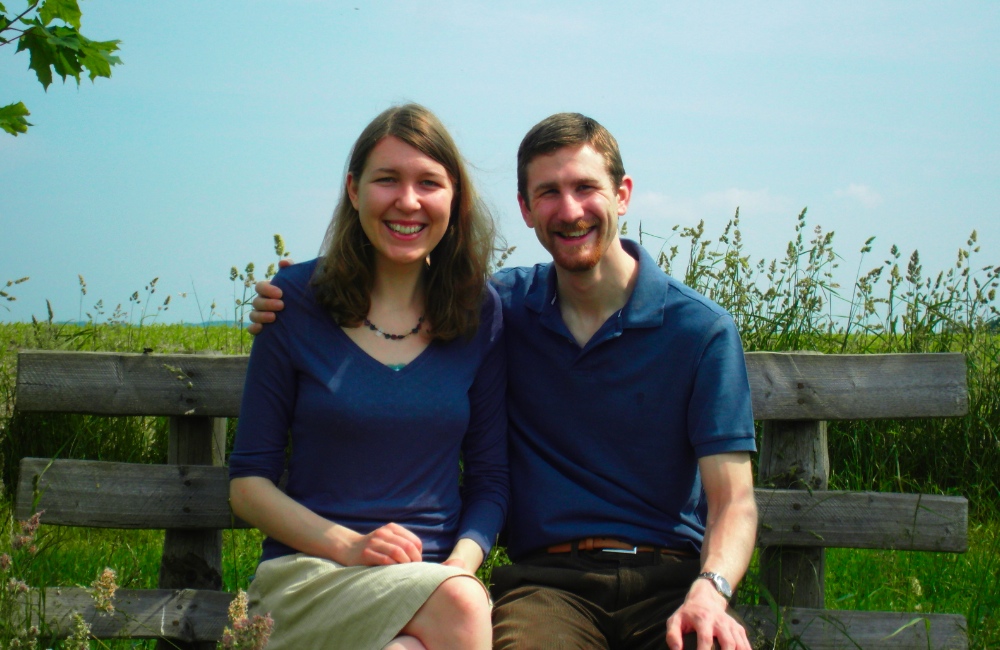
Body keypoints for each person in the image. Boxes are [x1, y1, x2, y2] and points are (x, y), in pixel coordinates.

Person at [249, 112, 757, 650]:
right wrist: (302, 289)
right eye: (548, 192)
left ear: (622, 194)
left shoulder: (699, 330)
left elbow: (734, 502)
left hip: (675, 582)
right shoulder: (500, 309)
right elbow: (400, 274)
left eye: (586, 187)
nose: (569, 210)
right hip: (550, 587)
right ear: (525, 208)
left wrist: (711, 590)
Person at [229, 103, 508, 650]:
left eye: (429, 182)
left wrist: (459, 565)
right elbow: (247, 487)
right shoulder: (294, 304)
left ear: (454, 197)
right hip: (309, 579)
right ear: (354, 190)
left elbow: (490, 481)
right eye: (388, 180)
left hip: (435, 588)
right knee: (456, 606)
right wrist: (351, 547)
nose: (408, 201)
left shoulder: (480, 312)